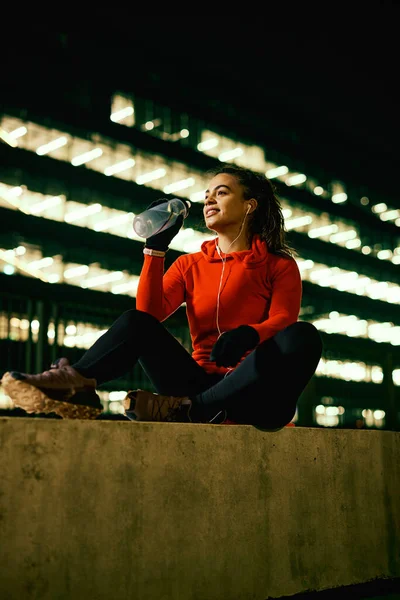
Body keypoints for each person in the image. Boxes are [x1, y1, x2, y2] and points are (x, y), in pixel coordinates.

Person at [1, 164, 323, 429]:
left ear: (249, 205)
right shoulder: (189, 265)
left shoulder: (278, 264)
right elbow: (147, 315)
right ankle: (78, 382)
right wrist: (155, 250)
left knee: (304, 337)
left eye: (221, 193)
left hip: (255, 396)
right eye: (207, 195)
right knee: (135, 322)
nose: (208, 201)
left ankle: (197, 410)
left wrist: (251, 334)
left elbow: (283, 320)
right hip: (194, 385)